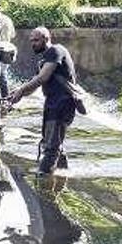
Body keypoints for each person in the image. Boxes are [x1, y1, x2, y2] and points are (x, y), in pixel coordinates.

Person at [7, 27, 77, 175]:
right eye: (31, 40)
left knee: (51, 146)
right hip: (53, 103)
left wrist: (20, 91)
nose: (33, 44)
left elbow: (42, 78)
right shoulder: (45, 59)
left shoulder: (55, 51)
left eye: (36, 40)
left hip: (61, 104)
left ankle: (44, 179)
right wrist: (18, 93)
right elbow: (35, 84)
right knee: (54, 142)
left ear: (46, 38)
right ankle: (63, 174)